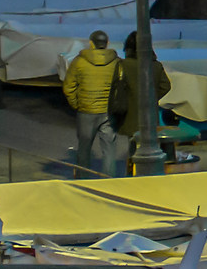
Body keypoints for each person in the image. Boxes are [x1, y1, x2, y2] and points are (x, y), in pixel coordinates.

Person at [112, 31, 177, 173]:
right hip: (150, 114)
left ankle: (132, 172)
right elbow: (166, 86)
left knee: (133, 144)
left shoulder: (123, 65)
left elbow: (115, 86)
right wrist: (152, 97)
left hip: (130, 112)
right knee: (150, 144)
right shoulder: (156, 66)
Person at [61, 30, 124, 176]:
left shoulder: (79, 61)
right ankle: (109, 181)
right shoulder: (116, 62)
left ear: (91, 43)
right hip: (108, 112)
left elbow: (69, 86)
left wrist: (76, 104)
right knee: (109, 150)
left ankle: (84, 180)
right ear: (107, 43)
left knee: (84, 148)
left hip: (86, 111)